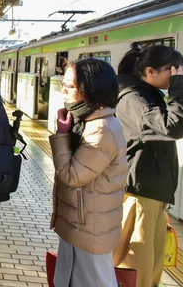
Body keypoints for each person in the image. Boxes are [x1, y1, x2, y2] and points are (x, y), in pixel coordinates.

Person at [49, 58, 127, 287]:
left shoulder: (101, 129)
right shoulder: (88, 121)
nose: (63, 89)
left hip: (90, 227)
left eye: (70, 86)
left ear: (90, 89)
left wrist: (62, 136)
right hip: (81, 221)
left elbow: (72, 176)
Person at [113, 45, 183, 287]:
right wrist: (178, 87)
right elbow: (172, 127)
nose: (175, 76)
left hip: (152, 192)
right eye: (172, 72)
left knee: (150, 265)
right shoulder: (134, 99)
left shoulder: (148, 95)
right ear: (150, 72)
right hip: (139, 193)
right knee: (135, 266)